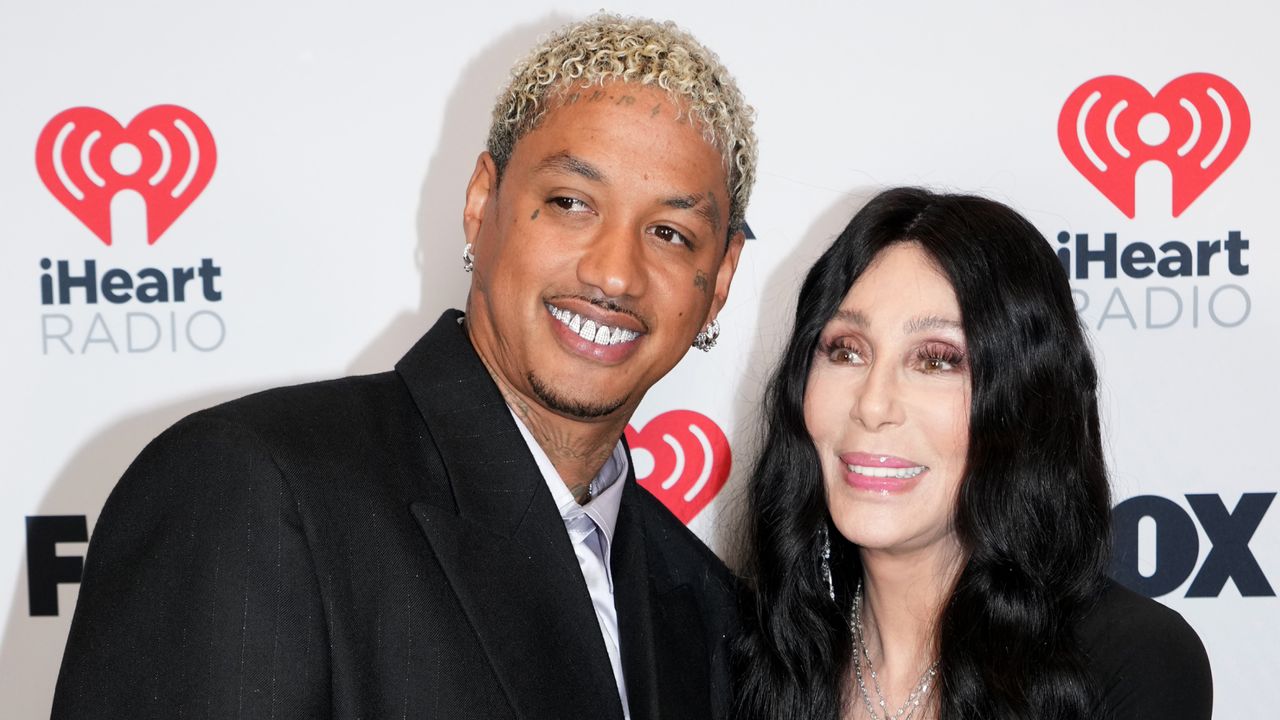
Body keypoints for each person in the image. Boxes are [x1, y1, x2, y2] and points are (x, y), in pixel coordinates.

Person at [52, 14, 756, 720]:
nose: (614, 274)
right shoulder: (254, 490)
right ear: (482, 203)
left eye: (670, 234)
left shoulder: (710, 609)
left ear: (719, 276)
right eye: (570, 203)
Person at [733, 187, 1212, 720]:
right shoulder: (744, 656)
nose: (872, 404)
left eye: (936, 361)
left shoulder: (1128, 661)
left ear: (1023, 401)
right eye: (846, 351)